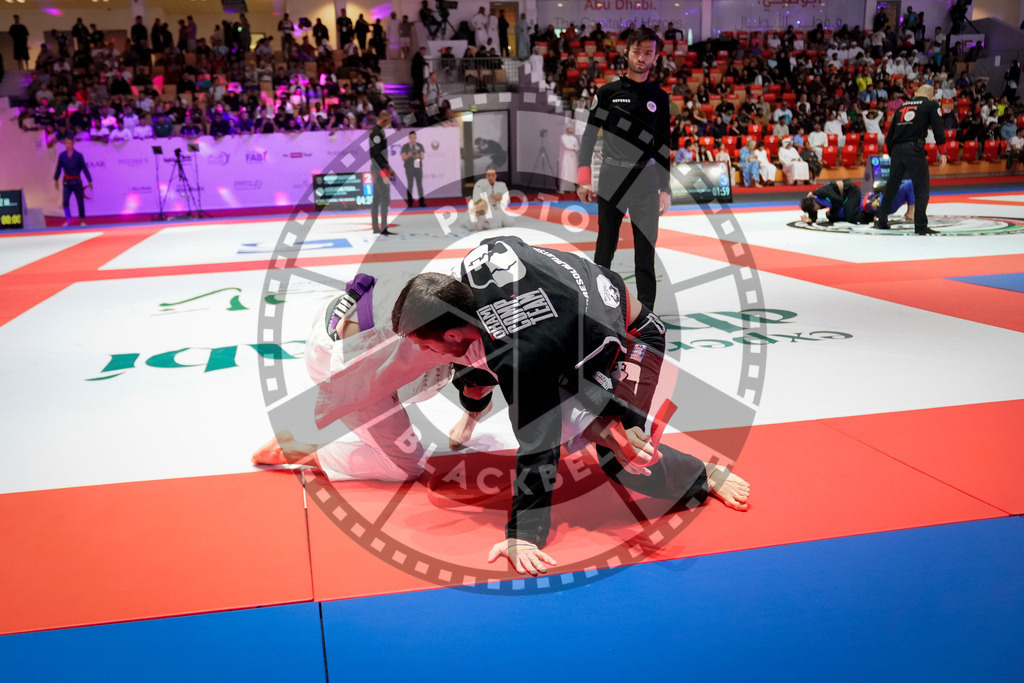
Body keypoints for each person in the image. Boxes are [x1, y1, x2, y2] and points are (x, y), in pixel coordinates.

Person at [391, 237, 750, 574]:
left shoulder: (522, 355)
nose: (423, 352)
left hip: (632, 337)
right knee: (468, 373)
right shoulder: (471, 271)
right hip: (573, 330)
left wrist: (523, 534)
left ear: (454, 332)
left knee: (625, 452)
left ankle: (705, 474)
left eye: (425, 344)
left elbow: (539, 443)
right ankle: (474, 406)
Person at [577, 27, 670, 311]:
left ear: (655, 57)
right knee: (605, 247)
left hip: (646, 179)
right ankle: (598, 307)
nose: (642, 58)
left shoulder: (660, 97)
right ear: (627, 52)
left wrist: (665, 189)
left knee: (646, 252)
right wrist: (583, 179)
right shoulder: (607, 93)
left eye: (648, 53)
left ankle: (647, 314)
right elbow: (589, 137)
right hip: (612, 178)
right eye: (637, 51)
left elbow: (664, 146)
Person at [877, 84, 946, 235]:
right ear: (931, 96)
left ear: (915, 93)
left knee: (892, 186)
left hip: (897, 150)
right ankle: (920, 226)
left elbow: (890, 135)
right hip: (914, 150)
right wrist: (942, 152)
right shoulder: (931, 105)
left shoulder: (901, 108)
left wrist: (893, 153)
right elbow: (938, 129)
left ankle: (881, 220)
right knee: (921, 188)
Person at [53, 137, 93, 227]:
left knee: (80, 202)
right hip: (67, 182)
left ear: (73, 144)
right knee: (65, 201)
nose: (68, 145)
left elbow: (84, 168)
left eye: (69, 143)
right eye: (66, 143)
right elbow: (58, 168)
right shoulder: (62, 156)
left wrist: (89, 180)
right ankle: (68, 219)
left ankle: (82, 220)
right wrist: (55, 179)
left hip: (77, 181)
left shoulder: (78, 155)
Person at [369, 111, 395, 236]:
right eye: (389, 121)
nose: (389, 124)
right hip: (378, 168)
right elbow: (375, 155)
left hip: (379, 167)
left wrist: (388, 167)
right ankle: (383, 227)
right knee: (384, 198)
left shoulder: (380, 132)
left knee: (376, 199)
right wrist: (384, 171)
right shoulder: (376, 133)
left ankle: (376, 227)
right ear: (384, 120)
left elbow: (380, 155)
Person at [470, 164, 511, 230]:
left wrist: (500, 198)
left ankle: (495, 222)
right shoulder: (480, 184)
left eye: (493, 175)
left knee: (510, 222)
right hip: (484, 210)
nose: (491, 177)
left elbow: (508, 200)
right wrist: (485, 202)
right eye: (489, 175)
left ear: (496, 175)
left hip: (499, 209)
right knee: (489, 224)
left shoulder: (502, 185)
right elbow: (476, 199)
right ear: (486, 175)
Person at [401, 131, 427, 207]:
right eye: (411, 137)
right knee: (410, 184)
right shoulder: (405, 146)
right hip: (409, 168)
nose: (413, 139)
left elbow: (422, 156)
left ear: (416, 137)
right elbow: (403, 158)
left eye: (414, 137)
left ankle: (422, 202)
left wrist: (417, 156)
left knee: (419, 185)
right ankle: (410, 203)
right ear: (409, 138)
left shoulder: (419, 146)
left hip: (418, 167)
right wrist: (409, 155)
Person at [558, 123, 579, 193]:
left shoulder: (574, 138)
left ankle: (572, 189)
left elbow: (577, 147)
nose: (572, 130)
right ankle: (562, 188)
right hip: (566, 157)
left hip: (573, 158)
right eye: (571, 128)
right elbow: (566, 146)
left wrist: (573, 148)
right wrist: (573, 148)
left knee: (573, 172)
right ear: (567, 129)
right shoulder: (563, 137)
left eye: (573, 128)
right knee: (565, 172)